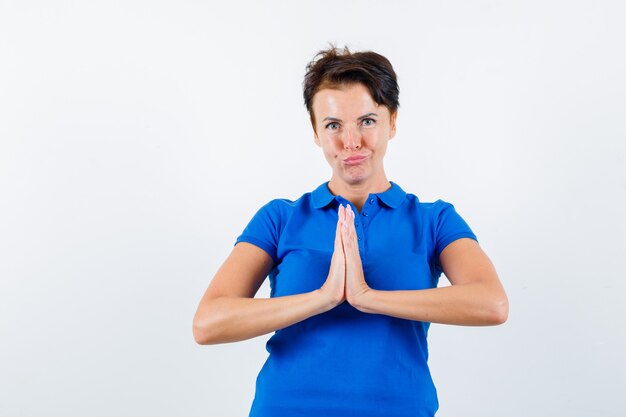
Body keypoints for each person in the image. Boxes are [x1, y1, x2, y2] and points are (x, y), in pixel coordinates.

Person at [192, 46, 509, 417]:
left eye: (367, 121)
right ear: (315, 132)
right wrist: (323, 297)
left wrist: (366, 296)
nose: (351, 142)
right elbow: (208, 323)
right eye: (333, 125)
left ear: (392, 122)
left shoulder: (434, 220)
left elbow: (492, 303)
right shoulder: (279, 218)